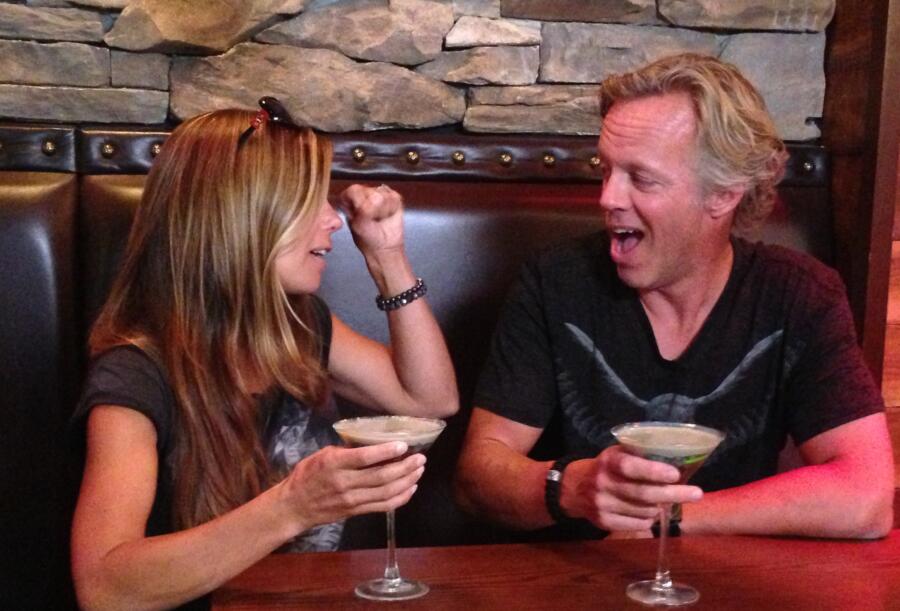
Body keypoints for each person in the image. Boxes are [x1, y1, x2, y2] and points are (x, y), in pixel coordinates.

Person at [454, 53, 894, 541]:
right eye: (606, 170)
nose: (607, 198)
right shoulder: (557, 281)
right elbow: (478, 477)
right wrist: (572, 487)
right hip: (577, 575)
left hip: (727, 576)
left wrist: (669, 518)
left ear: (723, 194)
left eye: (641, 178)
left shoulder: (798, 294)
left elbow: (867, 495)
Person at [70, 98, 458, 610]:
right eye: (309, 201)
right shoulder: (135, 375)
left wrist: (388, 257)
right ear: (241, 218)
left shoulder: (299, 323)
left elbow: (429, 402)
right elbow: (103, 587)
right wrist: (292, 507)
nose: (333, 220)